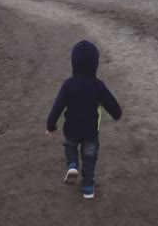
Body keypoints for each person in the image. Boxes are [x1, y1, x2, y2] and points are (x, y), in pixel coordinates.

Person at [46, 40, 122, 199]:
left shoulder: (68, 84)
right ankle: (88, 187)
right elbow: (111, 104)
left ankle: (72, 164)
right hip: (91, 132)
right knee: (89, 158)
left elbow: (57, 107)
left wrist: (51, 125)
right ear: (95, 63)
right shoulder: (98, 85)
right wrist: (116, 114)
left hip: (71, 129)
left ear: (74, 62)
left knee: (70, 146)